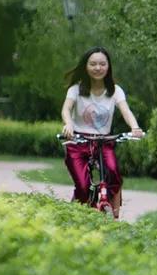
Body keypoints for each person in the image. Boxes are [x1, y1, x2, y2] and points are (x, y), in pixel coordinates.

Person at [60, 46, 145, 218]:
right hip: (78, 142)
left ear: (108, 66)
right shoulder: (75, 89)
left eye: (102, 64)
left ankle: (114, 217)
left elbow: (126, 111)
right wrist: (68, 124)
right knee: (83, 187)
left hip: (104, 142)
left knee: (114, 175)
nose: (98, 68)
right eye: (93, 64)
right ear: (86, 66)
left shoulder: (115, 90)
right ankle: (81, 210)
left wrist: (135, 128)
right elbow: (66, 109)